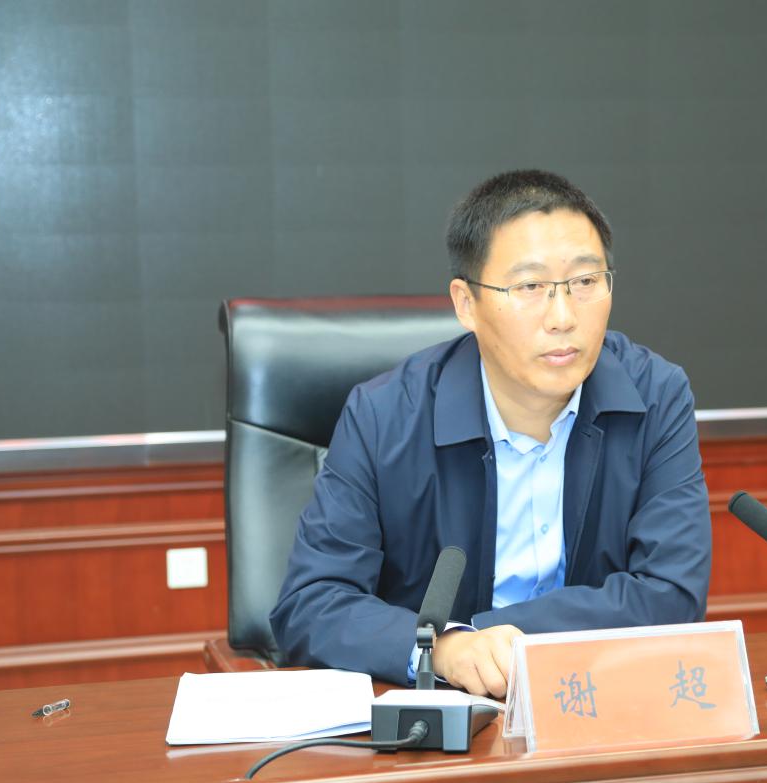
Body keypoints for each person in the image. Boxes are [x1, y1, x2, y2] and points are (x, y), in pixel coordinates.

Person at [270, 170, 711, 698]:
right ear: (466, 304)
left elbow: (672, 592)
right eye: (529, 287)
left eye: (586, 281)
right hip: (439, 717)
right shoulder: (383, 416)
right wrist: (443, 650)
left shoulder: (655, 396)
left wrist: (487, 636)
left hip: (592, 701)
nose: (563, 316)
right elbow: (311, 604)